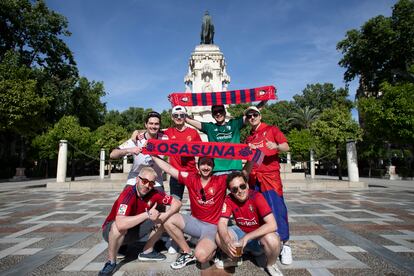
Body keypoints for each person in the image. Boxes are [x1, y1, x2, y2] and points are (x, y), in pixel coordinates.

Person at [151, 155, 253, 270]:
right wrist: (153, 156)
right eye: (203, 163)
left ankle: (216, 246)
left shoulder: (221, 180)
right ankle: (187, 252)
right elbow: (169, 169)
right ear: (198, 166)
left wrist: (252, 157)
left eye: (209, 164)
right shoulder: (191, 178)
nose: (206, 167)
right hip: (195, 223)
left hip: (212, 227)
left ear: (213, 167)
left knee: (201, 257)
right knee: (168, 219)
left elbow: (243, 175)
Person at [98, 167, 182, 276]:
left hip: (134, 229)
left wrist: (165, 215)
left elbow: (177, 203)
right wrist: (147, 215)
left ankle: (147, 251)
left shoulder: (155, 193)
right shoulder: (128, 194)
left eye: (151, 183)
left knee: (163, 218)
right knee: (117, 227)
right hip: (110, 232)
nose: (147, 186)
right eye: (145, 181)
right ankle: (111, 261)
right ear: (137, 179)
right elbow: (120, 223)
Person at [244, 106, 292, 265]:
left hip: (270, 178)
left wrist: (276, 146)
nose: (252, 117)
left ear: (260, 115)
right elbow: (250, 159)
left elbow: (286, 146)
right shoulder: (249, 138)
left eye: (255, 114)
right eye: (249, 115)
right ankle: (263, 243)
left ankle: (285, 245)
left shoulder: (271, 129)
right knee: (257, 212)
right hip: (254, 179)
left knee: (277, 209)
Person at [216, 171, 283, 275]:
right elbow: (222, 223)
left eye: (242, 186)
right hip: (241, 235)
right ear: (230, 191)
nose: (240, 191)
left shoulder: (257, 196)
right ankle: (235, 257)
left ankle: (270, 264)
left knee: (272, 239)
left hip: (258, 238)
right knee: (219, 235)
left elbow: (272, 225)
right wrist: (227, 240)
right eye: (234, 189)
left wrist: (246, 238)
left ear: (247, 184)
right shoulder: (229, 199)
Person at [185, 102, 266, 175]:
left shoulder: (235, 124)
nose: (218, 114)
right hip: (217, 170)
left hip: (235, 169)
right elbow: (189, 121)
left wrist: (265, 99)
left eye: (220, 111)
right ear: (212, 115)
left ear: (224, 112)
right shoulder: (209, 127)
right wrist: (179, 110)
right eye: (215, 112)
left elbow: (253, 112)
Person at [110, 111, 167, 190]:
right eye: (151, 123)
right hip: (135, 178)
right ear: (145, 124)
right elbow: (112, 154)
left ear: (160, 125)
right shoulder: (137, 139)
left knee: (160, 201)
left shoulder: (165, 139)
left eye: (156, 124)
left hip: (156, 180)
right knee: (124, 201)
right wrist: (129, 150)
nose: (153, 126)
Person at [164, 106, 202, 201]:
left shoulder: (193, 132)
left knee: (198, 201)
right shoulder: (168, 132)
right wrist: (138, 133)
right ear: (172, 117)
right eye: (176, 115)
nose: (179, 117)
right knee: (175, 203)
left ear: (185, 117)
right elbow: (152, 133)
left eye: (182, 115)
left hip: (192, 173)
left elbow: (202, 151)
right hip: (176, 174)